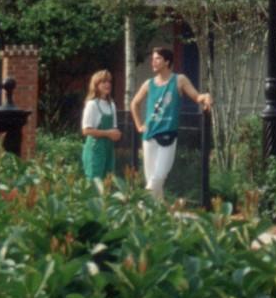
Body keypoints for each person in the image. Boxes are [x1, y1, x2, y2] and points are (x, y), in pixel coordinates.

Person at [128, 47, 211, 201]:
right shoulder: (148, 84)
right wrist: (140, 126)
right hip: (149, 136)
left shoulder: (179, 80)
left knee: (159, 175)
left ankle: (140, 204)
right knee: (152, 179)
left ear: (167, 62)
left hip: (168, 136)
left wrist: (205, 97)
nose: (153, 62)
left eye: (157, 58)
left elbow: (196, 97)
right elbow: (134, 104)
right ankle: (156, 217)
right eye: (152, 58)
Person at [80, 69, 123, 184]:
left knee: (108, 182)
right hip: (95, 149)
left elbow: (113, 129)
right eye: (103, 82)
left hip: (108, 148)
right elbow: (86, 130)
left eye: (109, 82)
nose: (107, 84)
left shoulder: (111, 105)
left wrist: (116, 134)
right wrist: (108, 133)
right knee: (94, 183)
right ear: (96, 85)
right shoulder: (92, 104)